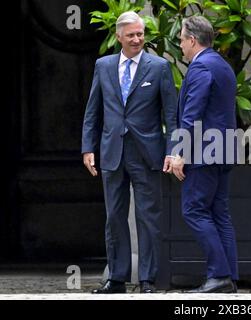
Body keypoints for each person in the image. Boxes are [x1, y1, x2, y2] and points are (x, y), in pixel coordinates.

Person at [81, 11, 177, 294]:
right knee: (114, 217)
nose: (137, 39)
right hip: (112, 152)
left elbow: (171, 116)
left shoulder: (158, 67)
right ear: (119, 36)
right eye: (132, 35)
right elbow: (93, 110)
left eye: (141, 34)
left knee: (148, 217)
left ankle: (148, 279)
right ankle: (118, 278)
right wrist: (88, 147)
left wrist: (172, 151)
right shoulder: (103, 65)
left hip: (148, 153)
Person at [167, 16, 239, 293]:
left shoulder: (200, 68)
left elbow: (192, 114)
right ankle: (229, 277)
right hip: (223, 151)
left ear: (193, 40)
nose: (181, 45)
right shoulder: (222, 65)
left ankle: (219, 275)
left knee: (194, 210)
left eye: (182, 39)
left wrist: (180, 152)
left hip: (204, 153)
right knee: (219, 213)